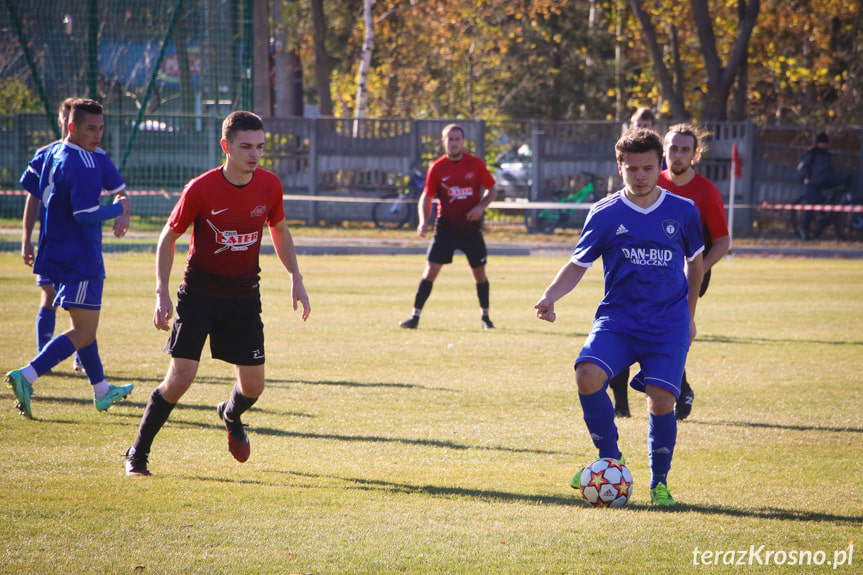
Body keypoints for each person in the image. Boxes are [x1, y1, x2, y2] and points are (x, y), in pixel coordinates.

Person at [124, 111, 311, 477]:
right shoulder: (201, 188)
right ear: (226, 146)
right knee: (180, 378)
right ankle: (137, 453)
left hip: (243, 297)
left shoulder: (270, 186)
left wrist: (296, 276)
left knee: (254, 387)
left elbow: (279, 229)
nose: (254, 154)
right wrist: (161, 293)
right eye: (246, 147)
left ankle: (230, 413)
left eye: (260, 147)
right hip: (199, 295)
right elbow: (167, 238)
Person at [534, 128, 704, 506]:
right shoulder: (605, 213)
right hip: (620, 320)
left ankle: (659, 483)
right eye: (632, 169)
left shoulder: (683, 212)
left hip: (667, 324)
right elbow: (578, 265)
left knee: (662, 400)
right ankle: (611, 459)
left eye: (647, 168)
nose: (640, 176)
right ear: (619, 168)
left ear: (659, 165)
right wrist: (550, 296)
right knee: (587, 374)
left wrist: (689, 315)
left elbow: (696, 264)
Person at [5, 98, 133, 418]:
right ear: (71, 126)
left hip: (60, 251)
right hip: (80, 257)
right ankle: (28, 374)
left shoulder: (55, 153)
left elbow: (40, 195)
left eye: (101, 128)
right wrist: (120, 209)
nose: (98, 135)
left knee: (82, 325)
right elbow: (85, 214)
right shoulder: (83, 163)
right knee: (84, 331)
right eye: (91, 128)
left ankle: (102, 390)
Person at [608, 123, 728, 421]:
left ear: (695, 154)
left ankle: (679, 386)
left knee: (664, 331)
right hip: (641, 268)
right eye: (673, 148)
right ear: (664, 152)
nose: (678, 155)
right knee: (624, 325)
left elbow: (723, 240)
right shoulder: (646, 178)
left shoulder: (705, 192)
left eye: (685, 150)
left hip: (685, 274)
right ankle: (622, 404)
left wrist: (698, 269)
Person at [399, 124, 498, 330]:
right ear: (443, 142)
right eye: (449, 139)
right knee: (430, 270)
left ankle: (486, 318)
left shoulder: (476, 164)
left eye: (457, 139)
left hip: (470, 228)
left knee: (479, 273)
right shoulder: (437, 167)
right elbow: (426, 196)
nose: (453, 143)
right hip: (445, 228)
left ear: (463, 141)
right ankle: (415, 317)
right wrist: (422, 221)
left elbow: (492, 189)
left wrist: (481, 207)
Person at [797, 132, 846, 241]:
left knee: (842, 184)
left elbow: (831, 169)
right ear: (818, 143)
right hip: (813, 183)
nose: (824, 146)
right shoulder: (812, 154)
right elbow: (803, 168)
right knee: (811, 205)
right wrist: (806, 178)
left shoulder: (827, 155)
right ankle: (805, 231)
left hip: (826, 180)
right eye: (822, 143)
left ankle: (831, 212)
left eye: (825, 144)